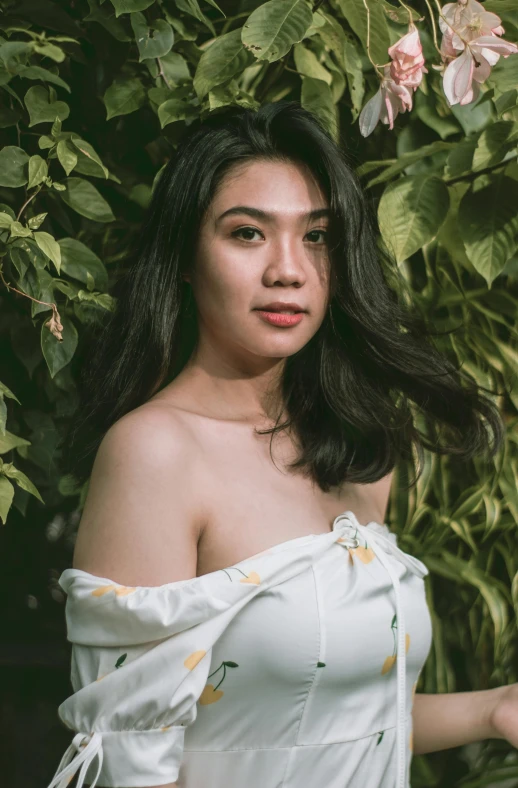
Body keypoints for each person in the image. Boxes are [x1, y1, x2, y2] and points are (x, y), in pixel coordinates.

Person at [47, 101, 516, 788]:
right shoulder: (155, 453)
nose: (288, 270)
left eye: (317, 237)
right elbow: (129, 761)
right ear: (183, 255)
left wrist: (495, 710)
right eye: (247, 234)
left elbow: (329, 721)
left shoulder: (357, 454)